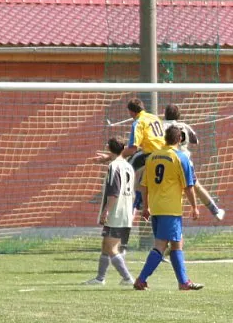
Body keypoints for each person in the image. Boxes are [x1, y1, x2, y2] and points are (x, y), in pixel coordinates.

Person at [133, 125, 203, 291]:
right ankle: (141, 279)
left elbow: (144, 185)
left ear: (165, 138)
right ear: (179, 139)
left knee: (177, 243)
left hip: (156, 208)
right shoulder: (180, 157)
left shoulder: (152, 157)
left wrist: (146, 207)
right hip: (170, 209)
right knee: (161, 245)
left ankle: (183, 282)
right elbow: (188, 186)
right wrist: (195, 206)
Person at [95, 98, 165, 253]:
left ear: (131, 112)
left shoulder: (138, 123)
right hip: (163, 156)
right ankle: (140, 199)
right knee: (145, 190)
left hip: (150, 156)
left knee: (123, 169)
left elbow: (133, 148)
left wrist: (108, 157)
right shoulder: (154, 117)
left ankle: (120, 194)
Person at [84, 137, 136, 286]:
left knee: (111, 247)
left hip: (116, 212)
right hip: (125, 211)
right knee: (105, 245)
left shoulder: (114, 166)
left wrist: (106, 211)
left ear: (108, 148)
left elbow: (114, 193)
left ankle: (127, 278)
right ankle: (100, 278)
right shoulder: (128, 166)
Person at [163, 104, 225, 221]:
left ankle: (142, 203)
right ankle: (215, 210)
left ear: (165, 114)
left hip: (168, 160)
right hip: (184, 161)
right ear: (178, 115)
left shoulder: (161, 125)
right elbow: (195, 141)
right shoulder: (184, 126)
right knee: (195, 186)